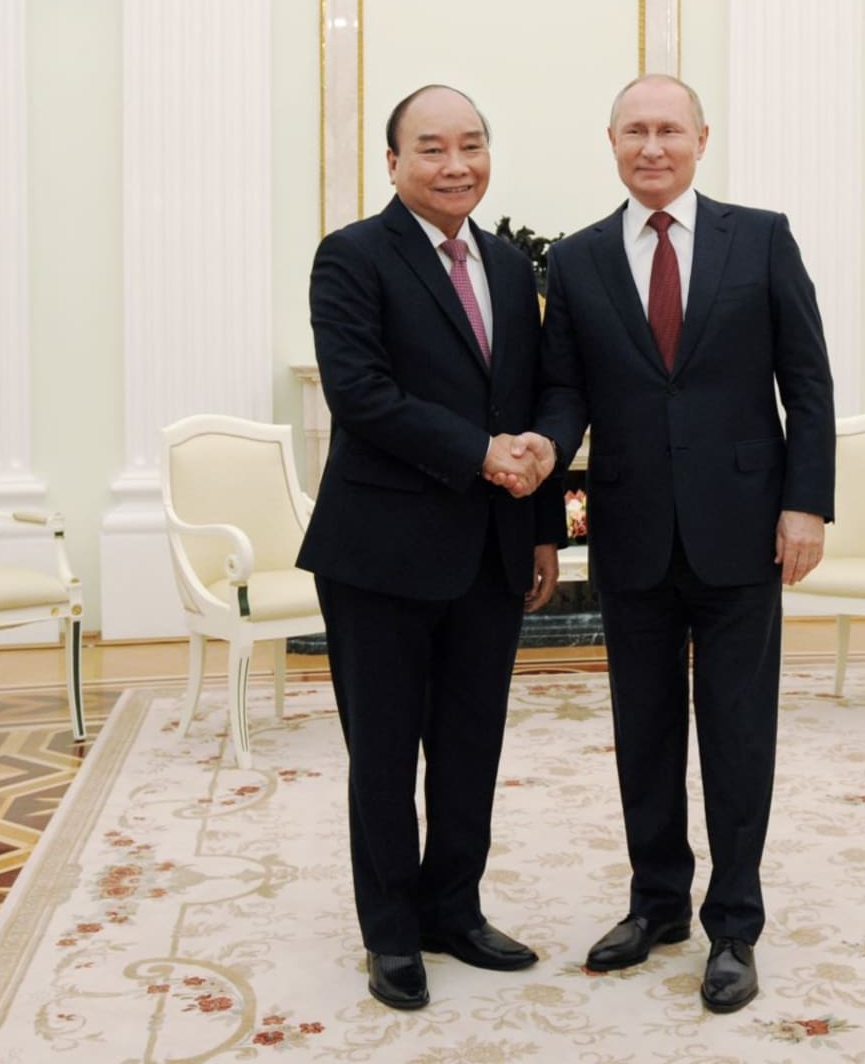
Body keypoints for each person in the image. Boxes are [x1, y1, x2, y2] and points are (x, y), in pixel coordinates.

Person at [528, 73, 835, 1013]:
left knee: (738, 736)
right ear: (611, 142)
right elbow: (563, 399)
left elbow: (808, 382)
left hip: (745, 531)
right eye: (634, 132)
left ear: (702, 137)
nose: (652, 147)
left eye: (669, 130)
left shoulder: (764, 237)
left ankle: (733, 924)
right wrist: (546, 509)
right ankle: (656, 902)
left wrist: (806, 505)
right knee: (645, 732)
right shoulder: (576, 261)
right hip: (631, 533)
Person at [298, 84, 563, 1012]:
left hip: (491, 550)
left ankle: (456, 908)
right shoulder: (353, 256)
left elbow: (527, 405)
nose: (458, 166)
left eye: (473, 146)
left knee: (468, 745)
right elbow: (359, 394)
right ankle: (393, 932)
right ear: (393, 162)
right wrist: (480, 454)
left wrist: (541, 528)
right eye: (434, 149)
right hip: (379, 553)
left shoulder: (506, 261)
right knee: (383, 751)